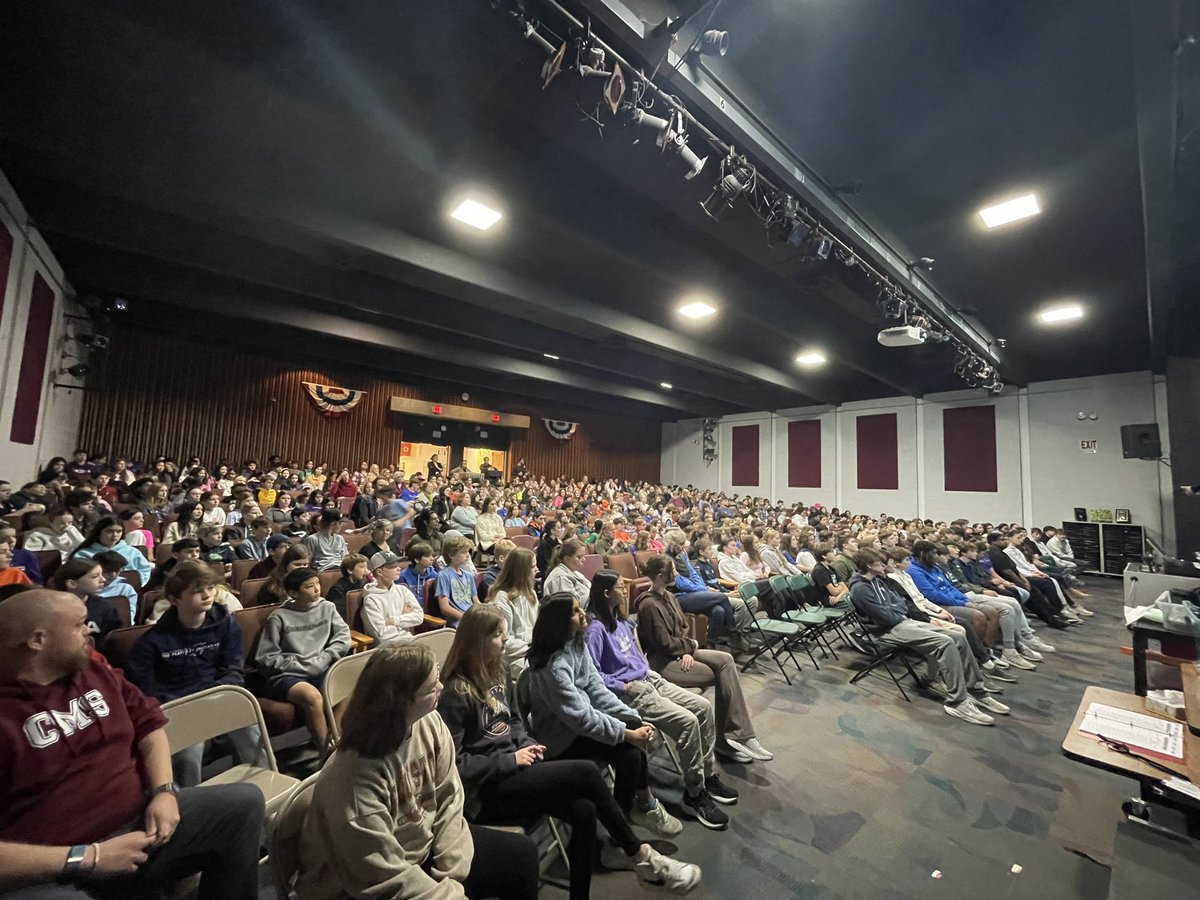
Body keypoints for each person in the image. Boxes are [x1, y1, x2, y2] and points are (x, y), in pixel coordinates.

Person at [0, 589, 265, 900]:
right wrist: (89, 857)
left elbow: (150, 727)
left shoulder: (92, 668)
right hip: (53, 868)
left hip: (140, 824)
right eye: (79, 624)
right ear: (37, 640)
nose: (90, 629)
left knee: (243, 804)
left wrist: (163, 792)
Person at [439, 605, 701, 898]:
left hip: (517, 767)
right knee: (587, 772)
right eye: (499, 634)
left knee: (585, 811)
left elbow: (514, 721)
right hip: (484, 791)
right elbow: (455, 764)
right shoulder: (456, 693)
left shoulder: (497, 672)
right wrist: (511, 759)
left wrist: (525, 744)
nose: (506, 638)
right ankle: (641, 855)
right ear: (478, 641)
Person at [296, 641, 539, 900]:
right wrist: (449, 894)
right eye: (431, 687)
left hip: (422, 849)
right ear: (400, 702)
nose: (441, 688)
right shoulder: (351, 779)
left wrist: (451, 874)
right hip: (363, 884)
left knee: (522, 855)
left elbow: (450, 796)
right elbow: (383, 877)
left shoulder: (428, 721)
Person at [525, 595, 685, 839]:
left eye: (581, 608)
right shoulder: (552, 666)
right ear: (558, 622)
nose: (583, 614)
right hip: (560, 740)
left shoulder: (576, 643)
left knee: (633, 729)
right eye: (575, 611)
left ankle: (641, 806)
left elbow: (597, 689)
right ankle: (628, 820)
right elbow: (580, 718)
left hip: (580, 726)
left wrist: (633, 718)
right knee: (630, 750)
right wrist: (627, 733)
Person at [587, 571, 737, 831]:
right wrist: (621, 684)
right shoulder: (595, 629)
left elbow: (635, 655)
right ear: (606, 593)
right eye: (620, 587)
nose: (625, 590)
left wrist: (648, 671)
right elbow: (593, 674)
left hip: (650, 678)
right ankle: (694, 793)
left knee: (703, 707)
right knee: (688, 722)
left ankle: (707, 776)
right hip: (631, 690)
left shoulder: (621, 621)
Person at [125, 562, 265, 787]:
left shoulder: (226, 624)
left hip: (219, 696)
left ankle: (263, 784)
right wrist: (186, 705)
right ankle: (190, 803)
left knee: (249, 728)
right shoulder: (152, 641)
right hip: (181, 705)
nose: (207, 595)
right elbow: (146, 690)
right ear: (174, 599)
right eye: (197, 591)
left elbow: (233, 668)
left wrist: (219, 695)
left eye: (209, 588)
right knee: (190, 750)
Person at [635, 555, 772, 763]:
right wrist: (688, 647)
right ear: (662, 575)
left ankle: (739, 736)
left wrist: (686, 650)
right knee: (721, 675)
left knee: (726, 660)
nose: (677, 574)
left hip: (682, 652)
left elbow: (683, 626)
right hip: (663, 662)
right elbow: (663, 644)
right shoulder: (649, 606)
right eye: (673, 570)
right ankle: (728, 741)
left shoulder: (669, 597)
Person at [848, 549, 1006, 725]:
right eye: (880, 563)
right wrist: (897, 610)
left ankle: (976, 690)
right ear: (869, 565)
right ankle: (957, 702)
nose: (885, 566)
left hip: (901, 621)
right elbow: (887, 618)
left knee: (958, 635)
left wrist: (897, 610)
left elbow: (901, 604)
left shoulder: (878, 581)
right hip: (885, 630)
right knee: (945, 642)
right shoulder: (860, 589)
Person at [252, 567, 351, 751]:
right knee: (312, 697)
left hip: (321, 665)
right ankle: (324, 749)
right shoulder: (279, 617)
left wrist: (326, 656)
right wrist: (302, 665)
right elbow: (266, 658)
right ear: (293, 593)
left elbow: (343, 637)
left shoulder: (327, 607)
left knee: (345, 690)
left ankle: (335, 739)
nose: (316, 590)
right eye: (309, 586)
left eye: (317, 584)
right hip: (289, 673)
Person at [485, 547, 540, 679]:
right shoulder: (501, 599)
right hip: (511, 659)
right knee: (545, 671)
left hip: (532, 651)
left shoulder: (530, 593)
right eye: (533, 567)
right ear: (522, 571)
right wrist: (533, 647)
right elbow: (504, 644)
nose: (537, 570)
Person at [361, 552, 424, 644]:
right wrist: (404, 618)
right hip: (388, 647)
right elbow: (382, 634)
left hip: (409, 640)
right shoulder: (371, 599)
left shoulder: (403, 590)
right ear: (379, 572)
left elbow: (419, 617)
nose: (399, 568)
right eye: (393, 566)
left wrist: (393, 620)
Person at [71, 517, 153, 585]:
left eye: (119, 531)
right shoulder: (83, 554)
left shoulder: (132, 552)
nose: (115, 535)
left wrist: (133, 583)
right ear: (99, 532)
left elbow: (144, 570)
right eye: (109, 531)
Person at [435, 535, 477, 627]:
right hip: (457, 622)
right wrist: (466, 618)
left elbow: (476, 601)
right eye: (463, 552)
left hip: (472, 618)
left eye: (468, 552)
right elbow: (445, 608)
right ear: (451, 555)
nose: (467, 555)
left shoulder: (469, 576)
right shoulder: (443, 576)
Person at [542, 538, 592, 609]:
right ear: (566, 558)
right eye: (579, 557)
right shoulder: (560, 578)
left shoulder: (576, 573)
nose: (584, 559)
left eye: (584, 556)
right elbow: (568, 607)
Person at [326, 553, 369, 625]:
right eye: (362, 567)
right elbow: (340, 616)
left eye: (367, 567)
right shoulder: (337, 590)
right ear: (350, 570)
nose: (367, 571)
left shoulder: (365, 585)